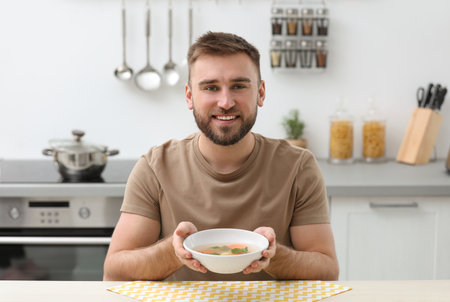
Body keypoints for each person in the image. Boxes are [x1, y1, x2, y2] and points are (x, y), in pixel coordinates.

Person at [103, 31, 339, 282]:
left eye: (238, 86)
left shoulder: (297, 167)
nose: (225, 102)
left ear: (260, 92)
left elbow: (326, 270)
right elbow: (115, 270)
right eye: (211, 87)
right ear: (189, 96)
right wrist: (173, 252)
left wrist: (275, 255)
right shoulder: (154, 167)